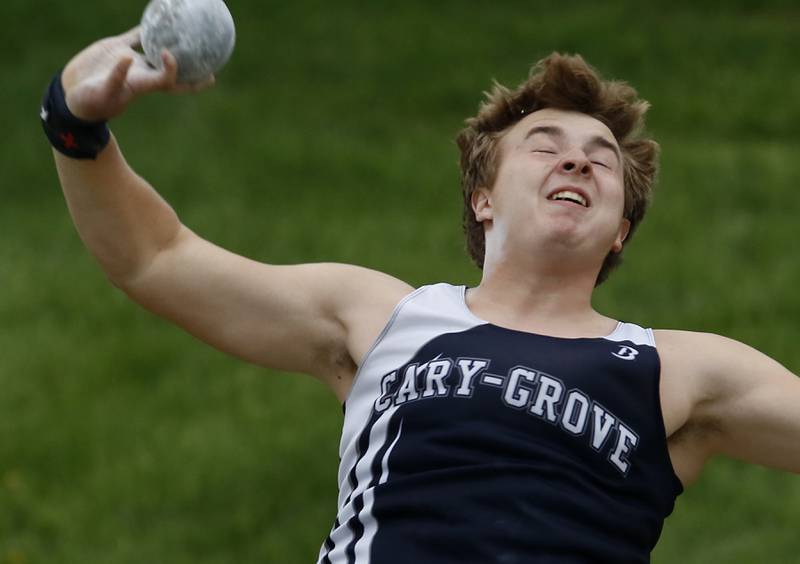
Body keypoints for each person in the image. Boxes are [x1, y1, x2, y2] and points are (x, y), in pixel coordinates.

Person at [42, 27, 799, 564]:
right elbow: (156, 258)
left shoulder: (679, 373)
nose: (577, 162)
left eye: (600, 160)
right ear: (483, 199)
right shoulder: (384, 317)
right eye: (546, 148)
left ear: (620, 234)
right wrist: (75, 122)